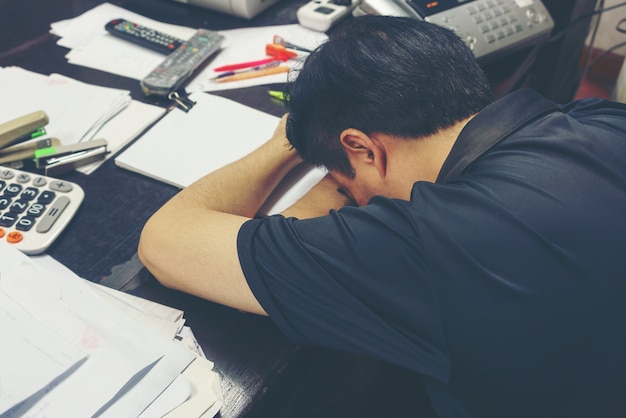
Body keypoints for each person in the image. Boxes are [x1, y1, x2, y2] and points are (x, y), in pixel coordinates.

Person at [138, 15, 626, 417]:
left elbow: (165, 241)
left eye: (342, 181)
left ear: (362, 148)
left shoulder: (426, 243)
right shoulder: (601, 120)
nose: (350, 195)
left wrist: (283, 145)